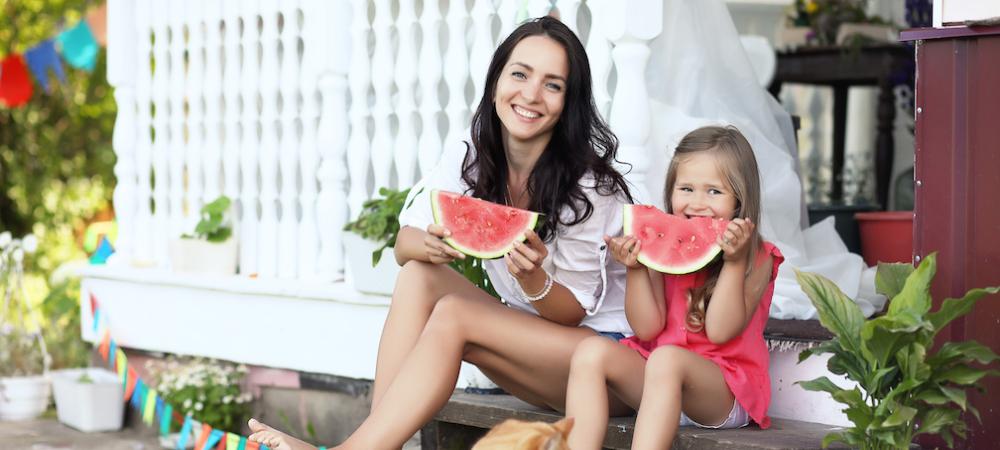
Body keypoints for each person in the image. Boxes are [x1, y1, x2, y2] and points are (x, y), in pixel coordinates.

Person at [247, 16, 634, 450]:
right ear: (495, 82)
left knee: (453, 313)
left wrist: (534, 280)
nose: (530, 94)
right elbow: (403, 246)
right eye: (520, 74)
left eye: (552, 84)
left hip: (605, 367)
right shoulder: (471, 154)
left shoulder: (589, 188)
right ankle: (372, 440)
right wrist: (429, 242)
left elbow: (574, 313)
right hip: (534, 360)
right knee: (420, 276)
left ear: (569, 102)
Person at [564, 126, 785, 449]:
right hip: (659, 382)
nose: (697, 203)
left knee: (667, 359)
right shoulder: (664, 243)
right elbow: (647, 327)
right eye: (686, 188)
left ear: (740, 200)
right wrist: (637, 270)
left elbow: (721, 331)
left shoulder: (759, 257)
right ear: (670, 191)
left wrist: (734, 263)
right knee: (590, 351)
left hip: (722, 392)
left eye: (714, 192)